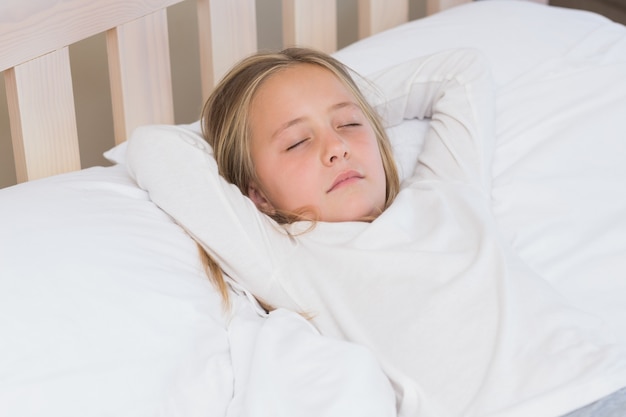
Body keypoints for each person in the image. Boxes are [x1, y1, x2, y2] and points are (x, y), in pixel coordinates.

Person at [127, 47, 626, 417]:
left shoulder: (446, 190)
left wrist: (356, 109)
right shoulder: (290, 257)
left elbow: (462, 70)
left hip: (609, 375)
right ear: (255, 193)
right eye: (298, 141)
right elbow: (153, 148)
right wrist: (234, 143)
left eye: (349, 125)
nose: (336, 148)